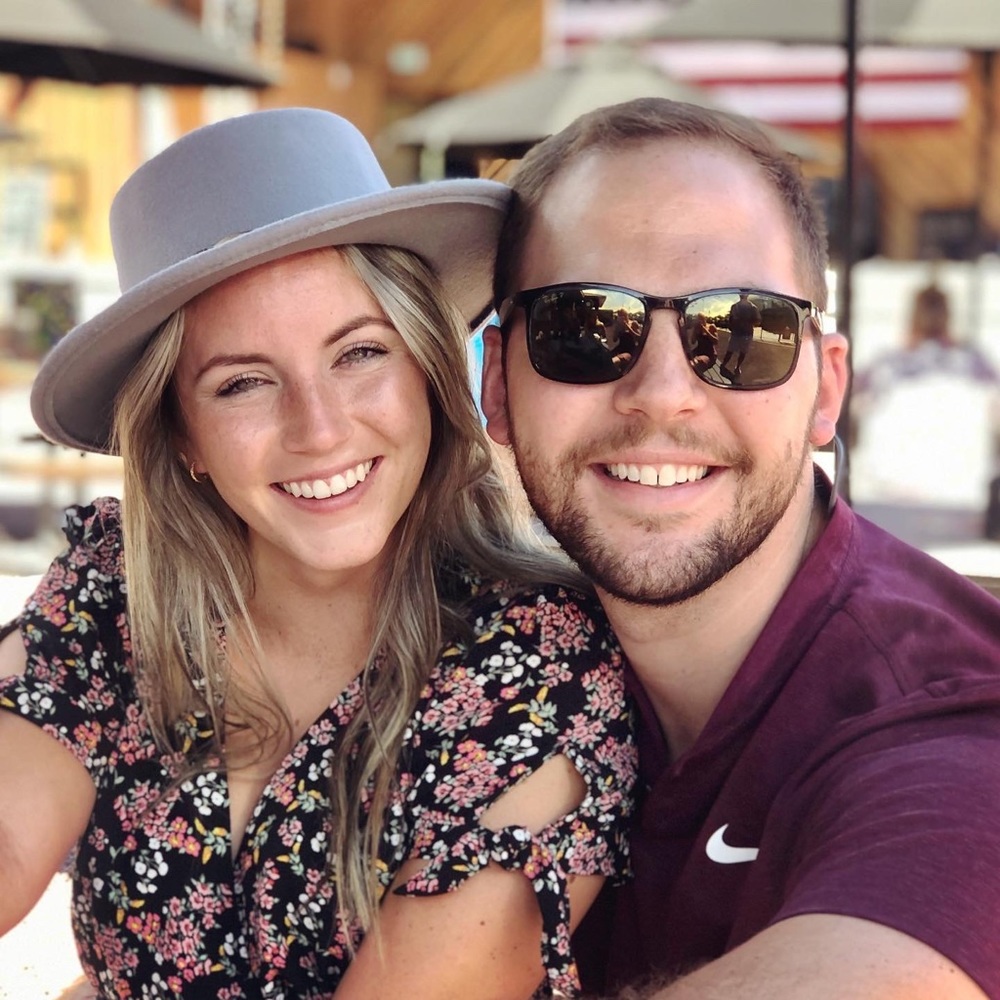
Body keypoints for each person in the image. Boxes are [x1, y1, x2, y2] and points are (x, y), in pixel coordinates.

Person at [0, 108, 636, 1000]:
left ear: (426, 370)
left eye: (359, 354)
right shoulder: (113, 590)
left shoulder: (538, 664)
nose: (320, 428)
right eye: (243, 383)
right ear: (182, 435)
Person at [481, 96, 1000, 999]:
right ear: (497, 383)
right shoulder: (494, 662)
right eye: (585, 326)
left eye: (742, 331)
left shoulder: (945, 722)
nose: (662, 394)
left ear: (825, 389)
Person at [850, 281, 1000, 518]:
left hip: (953, 492)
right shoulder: (888, 362)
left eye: (936, 309)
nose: (931, 318)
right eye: (927, 310)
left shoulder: (971, 362)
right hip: (894, 494)